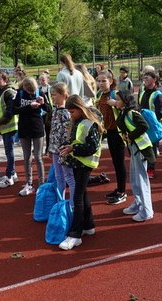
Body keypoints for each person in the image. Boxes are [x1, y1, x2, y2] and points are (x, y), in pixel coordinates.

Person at [58, 95, 105, 250]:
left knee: (77, 197)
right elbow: (77, 141)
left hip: (85, 163)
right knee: (82, 194)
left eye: (72, 112)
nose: (70, 115)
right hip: (78, 162)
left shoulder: (89, 123)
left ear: (80, 109)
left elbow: (92, 147)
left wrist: (73, 149)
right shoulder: (78, 122)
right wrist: (68, 146)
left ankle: (75, 234)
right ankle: (88, 225)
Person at [114, 90, 155, 222]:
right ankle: (138, 203)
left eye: (118, 100)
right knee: (135, 178)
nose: (116, 102)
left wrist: (130, 136)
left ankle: (146, 210)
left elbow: (144, 125)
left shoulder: (132, 113)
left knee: (141, 179)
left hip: (141, 149)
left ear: (125, 101)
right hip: (134, 149)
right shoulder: (124, 112)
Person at [95, 70, 127, 205]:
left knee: (119, 163)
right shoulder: (100, 94)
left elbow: (128, 108)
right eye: (99, 80)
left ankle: (122, 192)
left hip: (117, 133)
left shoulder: (116, 94)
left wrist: (117, 104)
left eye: (104, 81)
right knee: (115, 161)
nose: (101, 83)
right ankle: (119, 188)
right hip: (108, 131)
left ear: (111, 81)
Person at [13, 77, 48, 196]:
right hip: (23, 128)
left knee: (38, 157)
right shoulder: (20, 93)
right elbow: (14, 110)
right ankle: (29, 183)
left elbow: (49, 109)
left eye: (34, 92)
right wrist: (29, 106)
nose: (32, 94)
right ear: (25, 88)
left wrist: (43, 104)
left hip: (37, 128)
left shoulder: (40, 92)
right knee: (27, 157)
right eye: (30, 92)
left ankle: (42, 184)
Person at [0, 70, 19, 188]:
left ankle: (9, 177)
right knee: (8, 151)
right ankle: (12, 174)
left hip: (10, 125)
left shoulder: (9, 92)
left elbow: (10, 111)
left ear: (5, 79)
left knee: (9, 151)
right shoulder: (0, 90)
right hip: (5, 126)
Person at [49, 82, 75, 200]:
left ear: (64, 95)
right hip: (54, 148)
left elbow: (66, 133)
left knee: (69, 177)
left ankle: (73, 204)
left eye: (55, 95)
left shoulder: (66, 112)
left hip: (63, 150)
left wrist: (64, 148)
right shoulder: (55, 110)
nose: (52, 97)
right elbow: (53, 131)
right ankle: (60, 201)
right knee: (58, 176)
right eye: (51, 95)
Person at [137, 71, 162, 178]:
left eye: (147, 77)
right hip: (142, 124)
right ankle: (144, 166)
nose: (144, 79)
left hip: (152, 126)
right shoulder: (143, 92)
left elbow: (160, 112)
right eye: (144, 77)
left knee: (152, 147)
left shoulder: (157, 95)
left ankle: (151, 169)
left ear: (154, 79)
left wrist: (151, 121)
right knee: (143, 145)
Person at [38, 72, 53, 154]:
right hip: (40, 112)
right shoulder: (38, 89)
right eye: (40, 80)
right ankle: (38, 148)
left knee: (48, 131)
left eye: (43, 80)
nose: (41, 81)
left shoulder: (50, 89)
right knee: (40, 131)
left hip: (48, 112)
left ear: (47, 80)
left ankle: (47, 148)